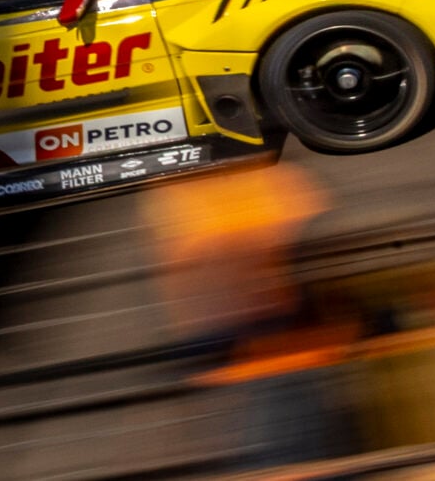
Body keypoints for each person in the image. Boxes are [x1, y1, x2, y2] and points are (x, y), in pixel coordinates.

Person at [142, 158, 358, 467]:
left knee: (290, 431)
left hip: (253, 338)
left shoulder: (180, 191)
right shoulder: (261, 181)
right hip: (262, 336)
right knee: (293, 431)